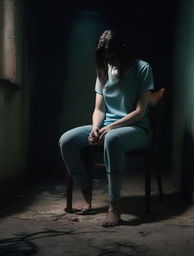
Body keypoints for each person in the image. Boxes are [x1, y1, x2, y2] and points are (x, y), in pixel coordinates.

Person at [59, 29, 154, 227]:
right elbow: (99, 109)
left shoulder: (143, 68)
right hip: (107, 127)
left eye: (113, 57)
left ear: (124, 51)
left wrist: (110, 128)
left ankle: (114, 206)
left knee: (113, 139)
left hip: (136, 129)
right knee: (66, 141)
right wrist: (95, 128)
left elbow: (140, 111)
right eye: (106, 58)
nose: (110, 62)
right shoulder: (104, 70)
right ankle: (86, 194)